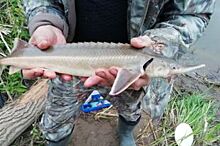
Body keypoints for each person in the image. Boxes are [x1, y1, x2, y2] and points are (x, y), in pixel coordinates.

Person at [22, 0, 215, 146]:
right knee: (57, 118)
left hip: (140, 65)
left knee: (132, 110)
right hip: (67, 56)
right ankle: (57, 140)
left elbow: (194, 12)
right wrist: (45, 22)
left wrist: (160, 43)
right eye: (172, 69)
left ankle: (125, 133)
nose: (174, 71)